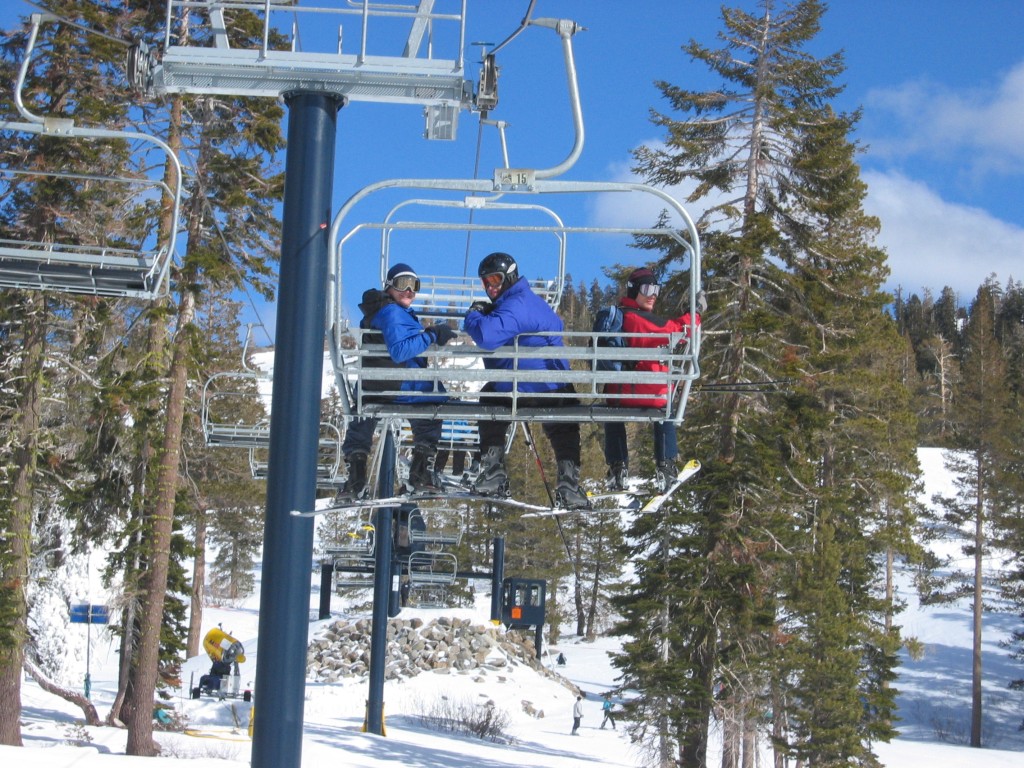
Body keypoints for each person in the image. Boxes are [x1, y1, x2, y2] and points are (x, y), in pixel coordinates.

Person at [463, 252, 587, 508]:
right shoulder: (528, 302)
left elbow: (486, 335)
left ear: (510, 277)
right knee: (564, 420)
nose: (490, 287)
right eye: (485, 282)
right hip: (553, 386)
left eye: (495, 280)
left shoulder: (517, 304)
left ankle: (493, 470)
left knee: (490, 398)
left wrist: (474, 314)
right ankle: (569, 481)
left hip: (525, 385)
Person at [338, 263, 456, 499]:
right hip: (398, 383)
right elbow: (400, 351)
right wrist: (432, 335)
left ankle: (356, 479)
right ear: (389, 286)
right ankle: (421, 472)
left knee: (362, 417)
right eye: (403, 284)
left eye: (415, 286)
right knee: (433, 406)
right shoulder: (392, 312)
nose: (409, 291)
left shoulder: (381, 311)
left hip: (373, 385)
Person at [600, 267, 702, 493]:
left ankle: (618, 468)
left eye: (656, 289)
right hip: (649, 394)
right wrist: (696, 313)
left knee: (611, 412)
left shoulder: (620, 316)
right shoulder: (637, 319)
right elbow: (676, 329)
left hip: (618, 394)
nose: (653, 294)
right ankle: (666, 466)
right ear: (635, 290)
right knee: (666, 408)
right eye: (647, 288)